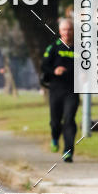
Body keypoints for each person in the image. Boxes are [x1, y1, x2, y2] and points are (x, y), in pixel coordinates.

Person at [40, 18, 79, 161]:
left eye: (70, 29)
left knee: (69, 120)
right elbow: (44, 66)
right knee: (55, 122)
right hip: (56, 89)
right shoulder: (53, 48)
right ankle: (55, 138)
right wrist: (55, 70)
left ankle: (68, 151)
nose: (67, 33)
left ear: (73, 31)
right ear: (60, 31)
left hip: (72, 90)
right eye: (64, 30)